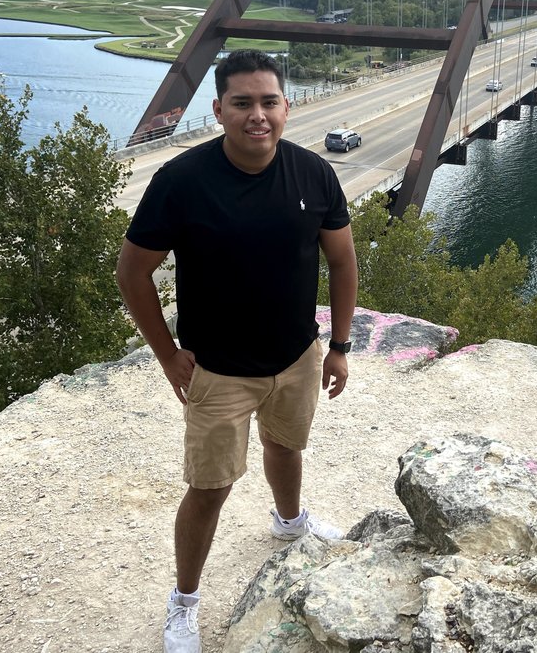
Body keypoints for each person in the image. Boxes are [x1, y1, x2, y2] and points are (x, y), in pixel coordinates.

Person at [116, 49, 358, 653]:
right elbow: (132, 273)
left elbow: (342, 260)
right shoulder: (181, 181)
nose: (258, 115)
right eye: (243, 103)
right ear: (219, 109)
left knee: (286, 446)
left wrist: (339, 346)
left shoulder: (314, 174)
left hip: (297, 356)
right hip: (218, 370)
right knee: (209, 488)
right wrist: (168, 354)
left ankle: (289, 521)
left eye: (269, 102)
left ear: (287, 105)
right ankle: (185, 603)